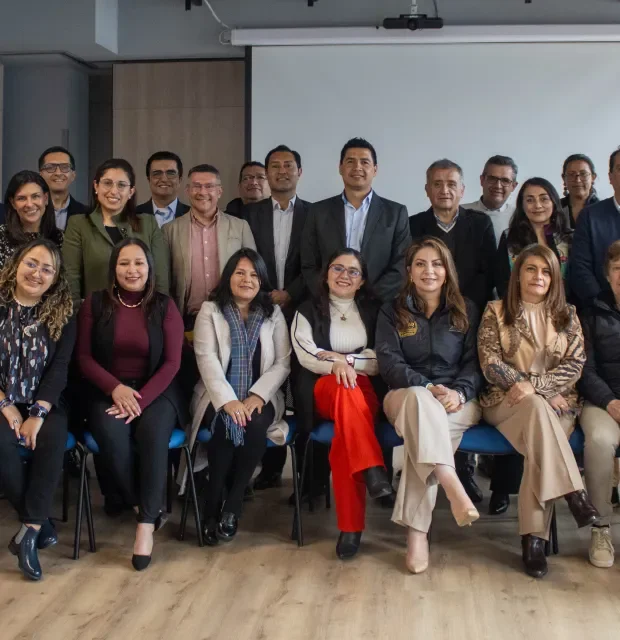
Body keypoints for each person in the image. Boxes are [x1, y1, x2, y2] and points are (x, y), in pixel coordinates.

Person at [478, 243, 599, 578]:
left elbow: (575, 365)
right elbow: (490, 364)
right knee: (534, 408)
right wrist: (534, 388)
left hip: (559, 405)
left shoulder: (568, 315)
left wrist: (537, 386)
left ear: (555, 278)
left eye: (546, 271)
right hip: (505, 402)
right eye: (531, 269)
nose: (538, 276)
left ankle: (534, 539)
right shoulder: (495, 311)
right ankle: (573, 493)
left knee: (540, 441)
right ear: (518, 274)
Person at [76, 238, 185, 571]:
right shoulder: (95, 303)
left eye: (139, 263)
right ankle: (142, 504)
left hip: (156, 391)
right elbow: (83, 357)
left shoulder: (164, 305)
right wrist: (115, 388)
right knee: (112, 437)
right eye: (124, 263)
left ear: (149, 268)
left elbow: (172, 363)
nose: (132, 270)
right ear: (114, 268)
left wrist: (139, 400)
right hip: (107, 390)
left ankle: (145, 526)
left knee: (152, 435)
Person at [376, 237, 482, 574]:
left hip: (457, 401)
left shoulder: (466, 309)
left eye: (436, 264)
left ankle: (417, 534)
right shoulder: (392, 309)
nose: (429, 271)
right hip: (404, 396)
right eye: (420, 264)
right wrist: (426, 386)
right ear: (409, 271)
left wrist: (459, 393)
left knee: (424, 436)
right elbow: (389, 362)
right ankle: (449, 479)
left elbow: (476, 364)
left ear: (447, 270)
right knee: (422, 404)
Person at [292, 249, 392, 560]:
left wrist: (345, 360)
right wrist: (336, 366)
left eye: (353, 271)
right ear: (326, 274)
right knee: (344, 389)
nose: (344, 276)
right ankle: (373, 469)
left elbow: (382, 358)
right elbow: (306, 355)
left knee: (345, 439)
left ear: (362, 281)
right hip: (324, 387)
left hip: (365, 390)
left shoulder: (376, 311)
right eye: (337, 268)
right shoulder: (306, 309)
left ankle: (351, 527)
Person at [409, 159, 496, 502]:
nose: (444, 190)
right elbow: (410, 271)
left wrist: (461, 307)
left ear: (462, 190)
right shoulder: (414, 224)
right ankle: (441, 473)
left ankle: (463, 471)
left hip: (468, 316)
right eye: (437, 183)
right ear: (426, 189)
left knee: (462, 384)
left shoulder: (480, 223)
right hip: (425, 315)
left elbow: (488, 273)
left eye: (451, 184)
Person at [190, 249, 291, 544]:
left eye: (254, 275)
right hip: (217, 394)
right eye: (240, 273)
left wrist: (258, 395)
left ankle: (232, 504)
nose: (247, 280)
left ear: (262, 280)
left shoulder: (273, 313)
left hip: (262, 395)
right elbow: (206, 358)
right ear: (229, 276)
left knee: (255, 424)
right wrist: (228, 400)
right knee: (227, 422)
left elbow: (283, 362)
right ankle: (213, 501)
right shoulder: (210, 310)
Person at [0, 239, 75, 581]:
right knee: (3, 446)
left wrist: (37, 414)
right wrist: (6, 406)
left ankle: (28, 533)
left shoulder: (64, 312)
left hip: (45, 400)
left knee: (52, 440)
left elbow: (59, 369)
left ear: (55, 278)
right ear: (17, 264)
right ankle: (40, 522)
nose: (37, 273)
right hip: (2, 400)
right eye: (32, 263)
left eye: (47, 269)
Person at [245, 145, 310, 490]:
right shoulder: (249, 215)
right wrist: (268, 294)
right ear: (266, 173)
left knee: (302, 392)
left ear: (300, 172)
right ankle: (270, 468)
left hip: (303, 313)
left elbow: (317, 264)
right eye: (275, 165)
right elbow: (244, 261)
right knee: (267, 384)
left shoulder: (316, 214)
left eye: (289, 165)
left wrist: (290, 293)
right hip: (260, 311)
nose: (282, 171)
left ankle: (306, 475)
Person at [301, 138, 410, 304]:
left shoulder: (395, 213)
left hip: (377, 306)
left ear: (375, 169)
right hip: (327, 305)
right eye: (350, 161)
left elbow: (401, 265)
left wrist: (370, 298)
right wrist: (330, 295)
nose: (357, 167)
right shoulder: (318, 211)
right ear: (340, 168)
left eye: (364, 162)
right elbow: (309, 264)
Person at [62, 158, 169, 307]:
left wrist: (159, 311)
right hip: (95, 313)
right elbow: (70, 277)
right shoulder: (79, 224)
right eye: (107, 183)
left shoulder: (148, 223)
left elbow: (160, 277)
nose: (113, 191)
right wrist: (76, 314)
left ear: (131, 192)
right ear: (96, 186)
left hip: (143, 312)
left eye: (121, 185)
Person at [163, 163, 255, 329]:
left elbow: (254, 273)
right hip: (186, 320)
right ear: (187, 191)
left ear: (219, 191)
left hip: (232, 317)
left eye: (209, 186)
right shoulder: (170, 230)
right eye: (197, 186)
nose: (203, 192)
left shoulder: (240, 227)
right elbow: (164, 279)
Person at [579, 240, 620, 568]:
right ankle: (601, 528)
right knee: (599, 440)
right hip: (601, 401)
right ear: (608, 274)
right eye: (618, 269)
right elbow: (584, 370)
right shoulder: (590, 314)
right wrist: (610, 401)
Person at [496, 178, 572, 299]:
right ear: (522, 205)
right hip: (519, 306)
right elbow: (502, 282)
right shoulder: (509, 237)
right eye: (530, 200)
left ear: (553, 202)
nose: (537, 205)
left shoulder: (569, 238)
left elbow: (576, 280)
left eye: (544, 199)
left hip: (563, 305)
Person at [570, 147, 620, 308]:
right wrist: (604, 307)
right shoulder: (590, 216)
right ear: (610, 177)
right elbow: (580, 268)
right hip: (602, 312)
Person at [0, 171, 64, 270]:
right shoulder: (1, 236)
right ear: (13, 203)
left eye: (35, 196)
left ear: (46, 199)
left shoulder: (60, 238)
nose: (29, 204)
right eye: (21, 198)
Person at [463, 155, 519, 243]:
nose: (498, 186)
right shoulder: (459, 213)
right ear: (482, 180)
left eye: (505, 180)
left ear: (513, 186)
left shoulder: (519, 217)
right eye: (492, 178)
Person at [38, 146, 89, 231]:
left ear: (73, 175)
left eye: (65, 167)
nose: (58, 173)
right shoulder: (31, 211)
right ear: (41, 175)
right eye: (50, 167)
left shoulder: (87, 214)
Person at [135, 151, 190, 227]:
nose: (164, 179)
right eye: (157, 173)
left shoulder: (192, 215)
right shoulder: (133, 215)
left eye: (170, 173)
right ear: (149, 179)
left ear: (180, 179)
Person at [560, 154, 599, 229]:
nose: (577, 180)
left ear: (593, 177)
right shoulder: (554, 209)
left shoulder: (604, 210)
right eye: (571, 174)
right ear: (564, 178)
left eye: (583, 174)